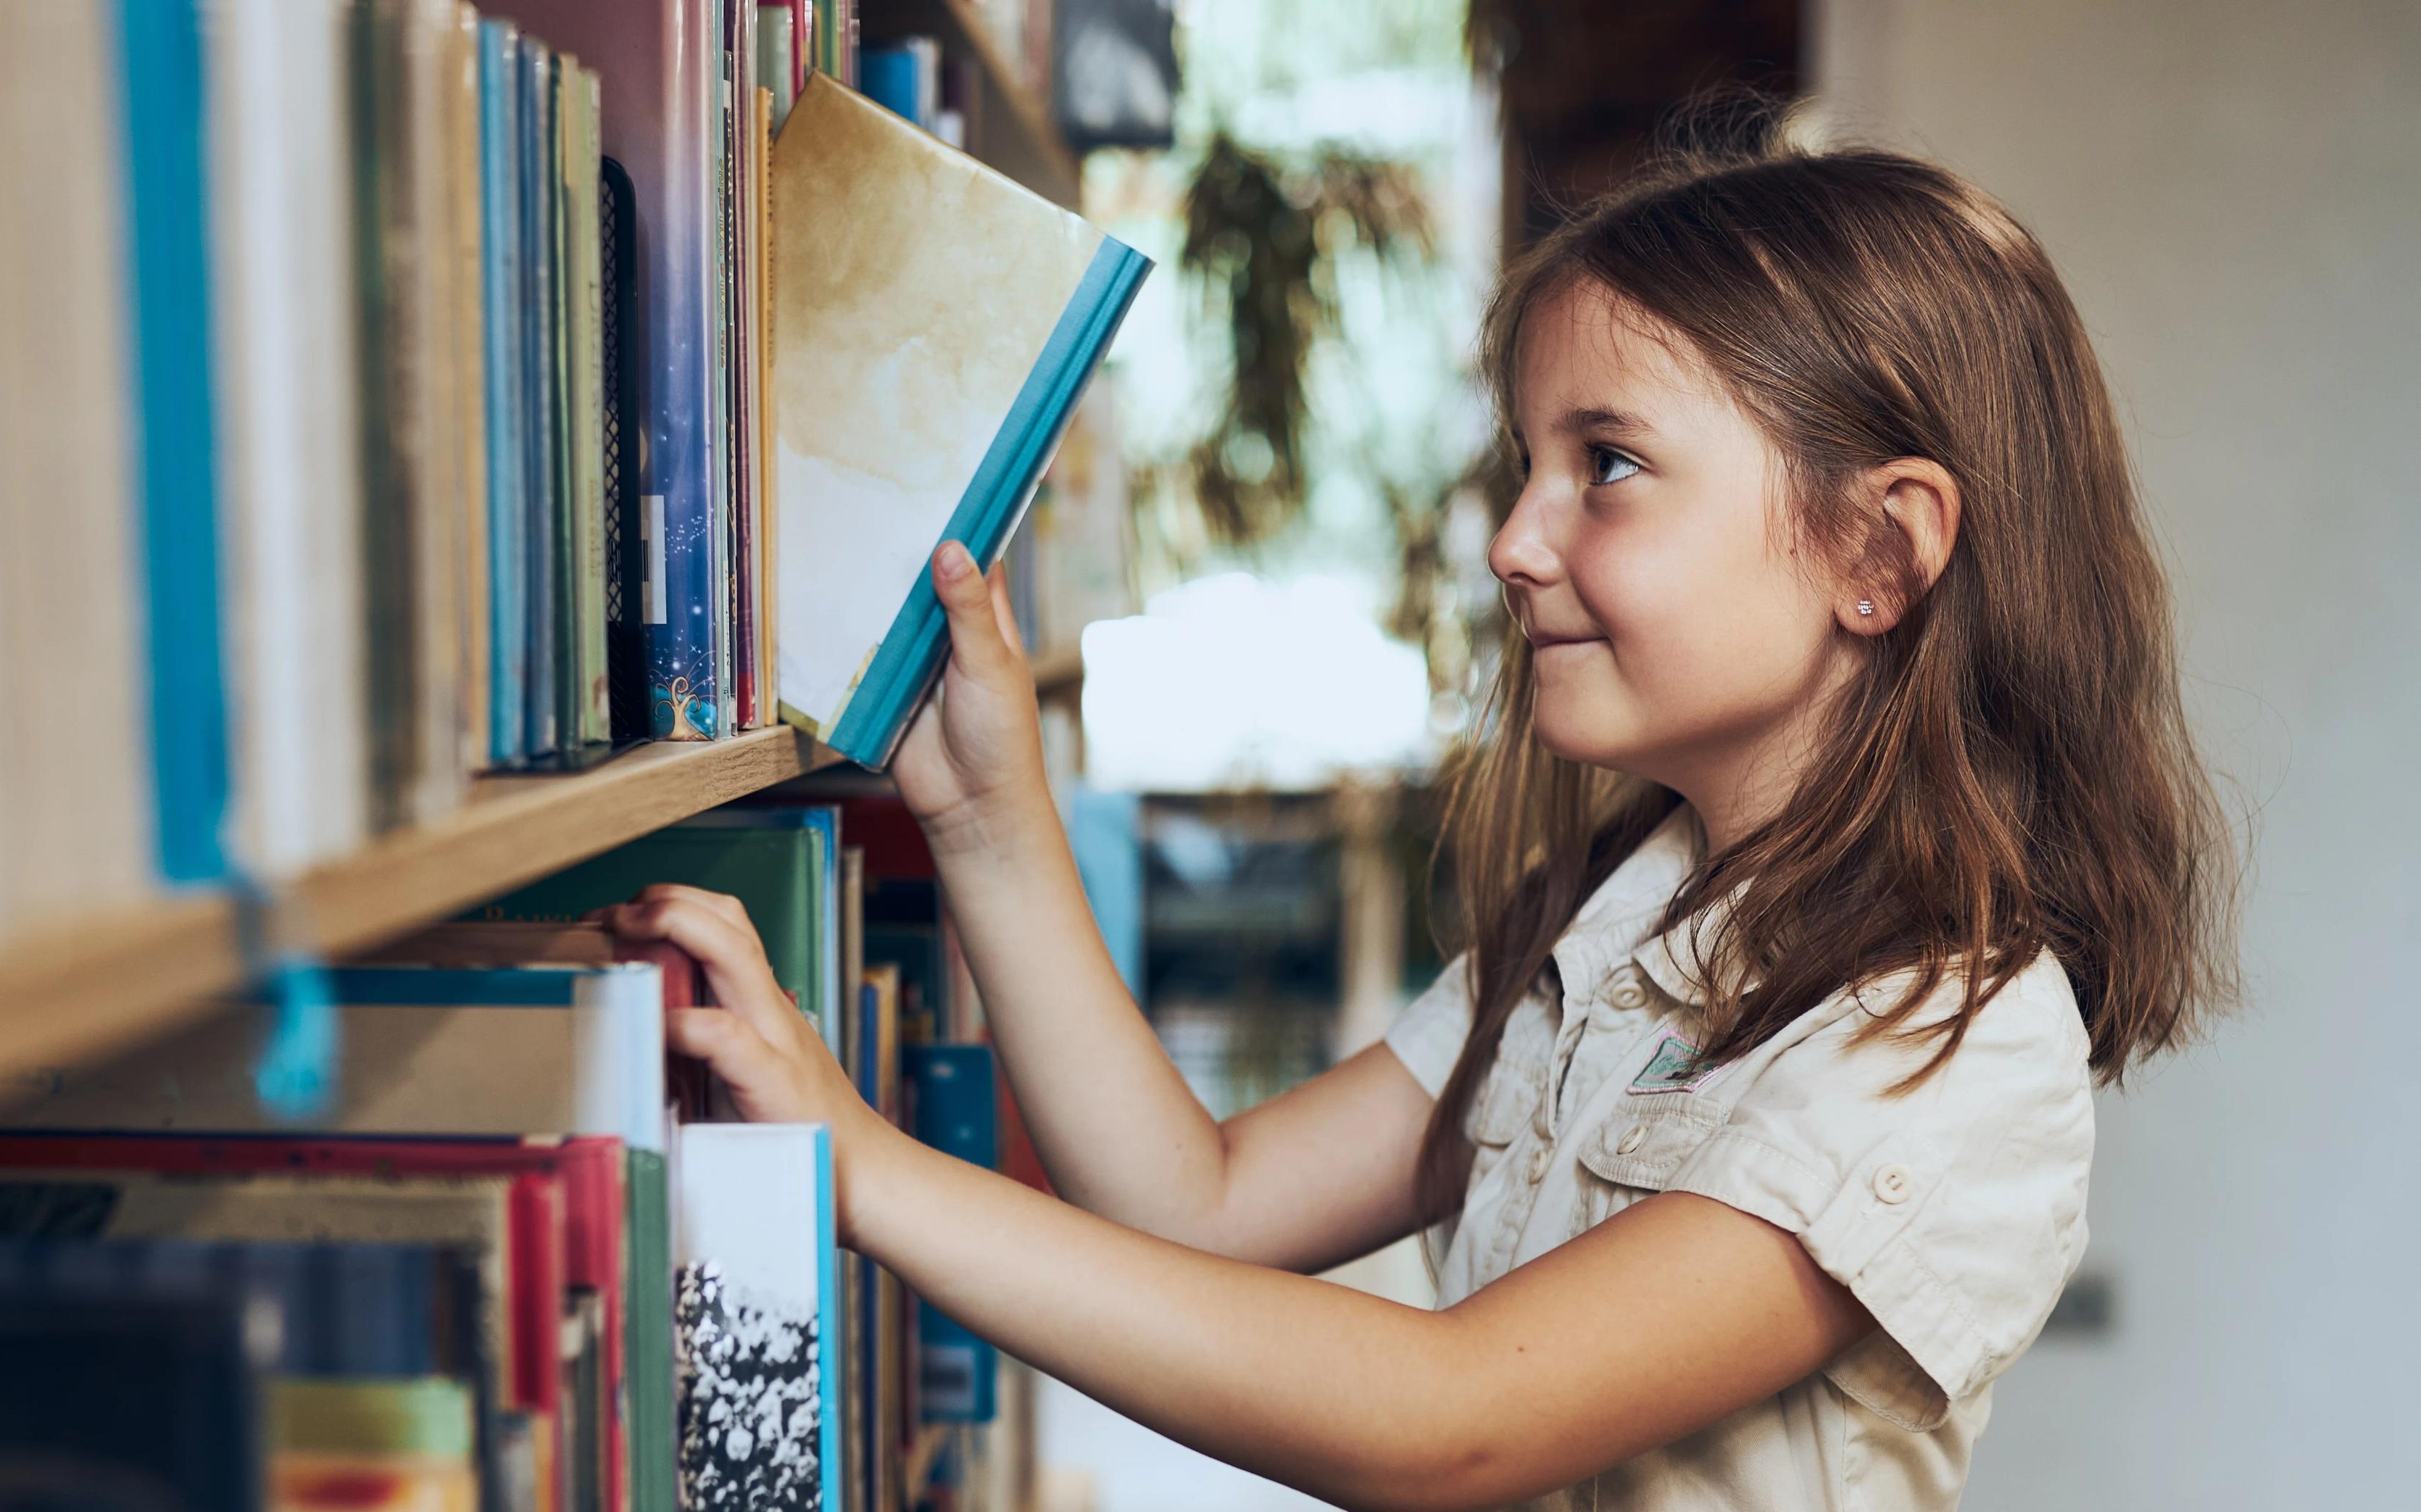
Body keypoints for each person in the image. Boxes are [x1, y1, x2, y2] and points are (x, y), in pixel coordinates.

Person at [599, 136, 2239, 1511]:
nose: (1517, 537)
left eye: (1606, 464)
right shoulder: (1599, 925)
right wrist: (988, 822)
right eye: (1525, 462)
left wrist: (859, 1167)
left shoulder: (1945, 1033)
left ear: (1878, 555)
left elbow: (1450, 1415)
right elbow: (1205, 1202)